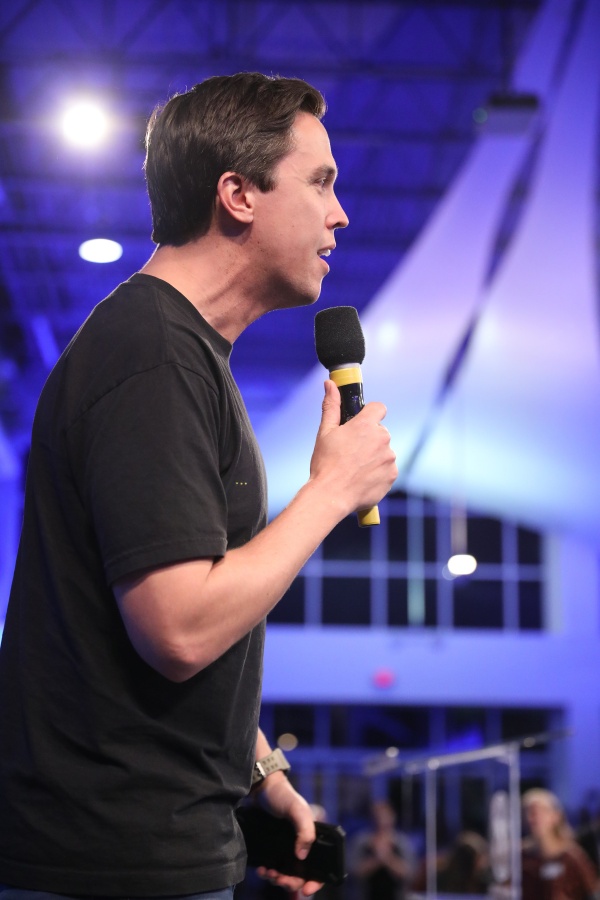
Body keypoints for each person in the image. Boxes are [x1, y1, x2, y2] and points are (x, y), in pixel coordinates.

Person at [0, 73, 397, 900]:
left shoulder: (180, 354)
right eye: (320, 183)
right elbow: (177, 630)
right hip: (111, 865)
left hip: (151, 848)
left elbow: (179, 620)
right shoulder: (152, 356)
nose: (340, 214)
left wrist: (262, 771)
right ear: (238, 195)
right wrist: (329, 491)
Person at [521, 788, 598, 900]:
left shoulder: (571, 856)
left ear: (555, 816)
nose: (534, 818)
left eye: (541, 811)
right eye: (529, 812)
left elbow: (593, 893)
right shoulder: (523, 857)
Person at [348, 800, 415, 900]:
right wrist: (376, 859)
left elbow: (408, 873)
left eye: (385, 817)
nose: (381, 821)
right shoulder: (361, 842)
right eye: (378, 817)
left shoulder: (402, 843)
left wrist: (387, 857)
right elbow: (354, 872)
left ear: (392, 818)